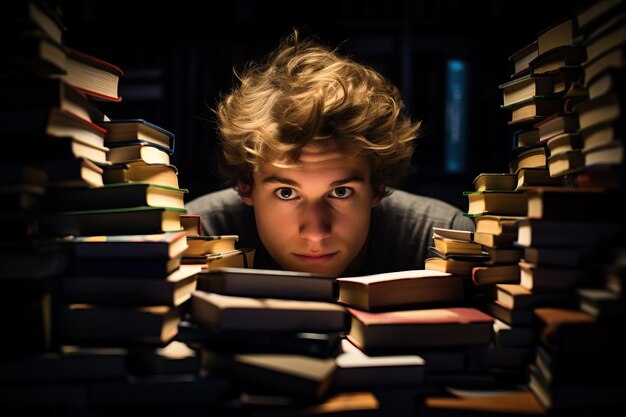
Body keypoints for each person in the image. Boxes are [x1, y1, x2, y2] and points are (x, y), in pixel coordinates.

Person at [185, 30, 474, 277]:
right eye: (286, 192)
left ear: (378, 187)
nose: (315, 233)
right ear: (245, 185)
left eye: (341, 192)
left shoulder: (441, 242)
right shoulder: (196, 237)